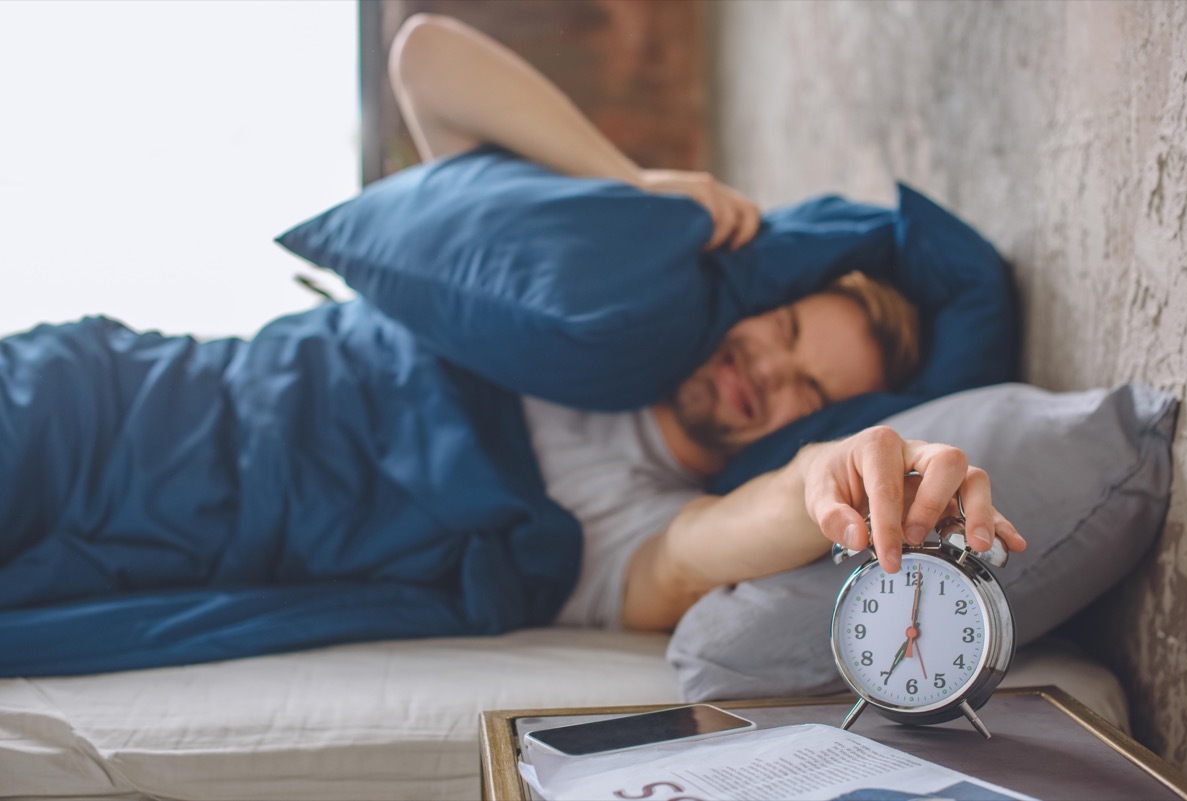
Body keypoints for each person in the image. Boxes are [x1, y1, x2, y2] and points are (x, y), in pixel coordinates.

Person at [387, 14, 1026, 634]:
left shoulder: (650, 520)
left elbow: (689, 559)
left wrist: (838, 468)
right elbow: (425, 56)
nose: (769, 369)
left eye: (811, 392)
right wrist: (627, 182)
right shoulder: (544, 299)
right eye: (786, 330)